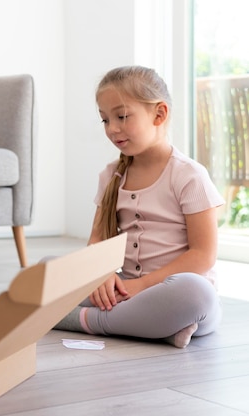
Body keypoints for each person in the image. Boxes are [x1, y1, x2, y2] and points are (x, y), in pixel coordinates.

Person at [53, 65, 224, 348]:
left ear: (159, 114)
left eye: (121, 117)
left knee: (196, 294)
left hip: (173, 291)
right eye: (105, 120)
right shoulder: (110, 175)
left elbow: (203, 256)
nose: (112, 129)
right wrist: (102, 275)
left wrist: (141, 286)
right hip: (125, 287)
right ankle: (156, 327)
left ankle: (85, 321)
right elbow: (97, 240)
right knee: (50, 270)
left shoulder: (189, 175)